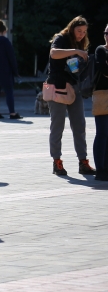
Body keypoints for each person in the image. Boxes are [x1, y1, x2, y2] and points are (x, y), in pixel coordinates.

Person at [47, 16, 95, 176]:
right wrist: (75, 51)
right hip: (57, 87)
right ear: (72, 28)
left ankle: (83, 162)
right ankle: (57, 162)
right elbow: (53, 54)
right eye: (79, 31)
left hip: (74, 88)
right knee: (57, 126)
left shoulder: (80, 43)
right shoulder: (61, 39)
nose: (81, 34)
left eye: (84, 32)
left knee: (80, 126)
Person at [94, 24, 108, 181]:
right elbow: (103, 69)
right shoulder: (101, 50)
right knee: (102, 133)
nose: (107, 35)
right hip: (102, 95)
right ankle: (100, 169)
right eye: (106, 33)